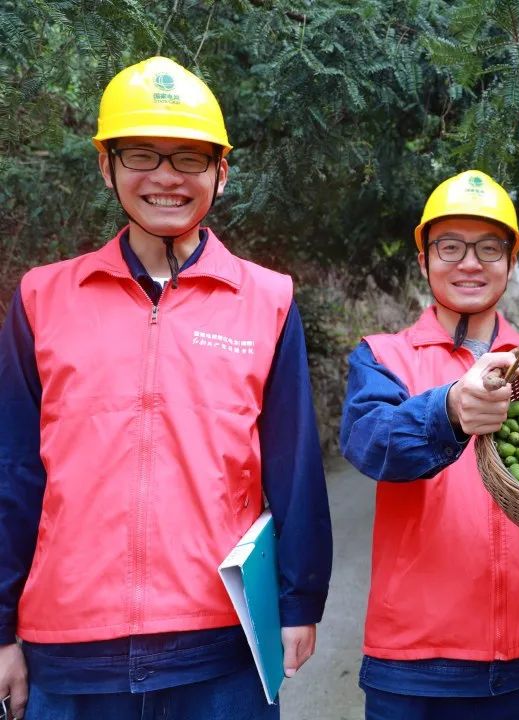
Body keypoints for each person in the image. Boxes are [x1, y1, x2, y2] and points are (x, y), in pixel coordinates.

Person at [0, 56, 332, 719]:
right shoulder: (42, 298)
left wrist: (300, 600)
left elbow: (293, 465)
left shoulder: (266, 300)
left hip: (221, 643)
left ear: (220, 171)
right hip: (69, 650)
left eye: (189, 158)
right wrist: (1, 628)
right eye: (142, 155)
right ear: (106, 165)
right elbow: (13, 470)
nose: (166, 177)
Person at [339, 170, 519, 719]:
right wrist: (447, 409)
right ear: (424, 260)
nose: (470, 263)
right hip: (414, 665)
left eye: (489, 248)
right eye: (450, 246)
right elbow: (369, 442)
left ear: (511, 262)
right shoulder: (383, 356)